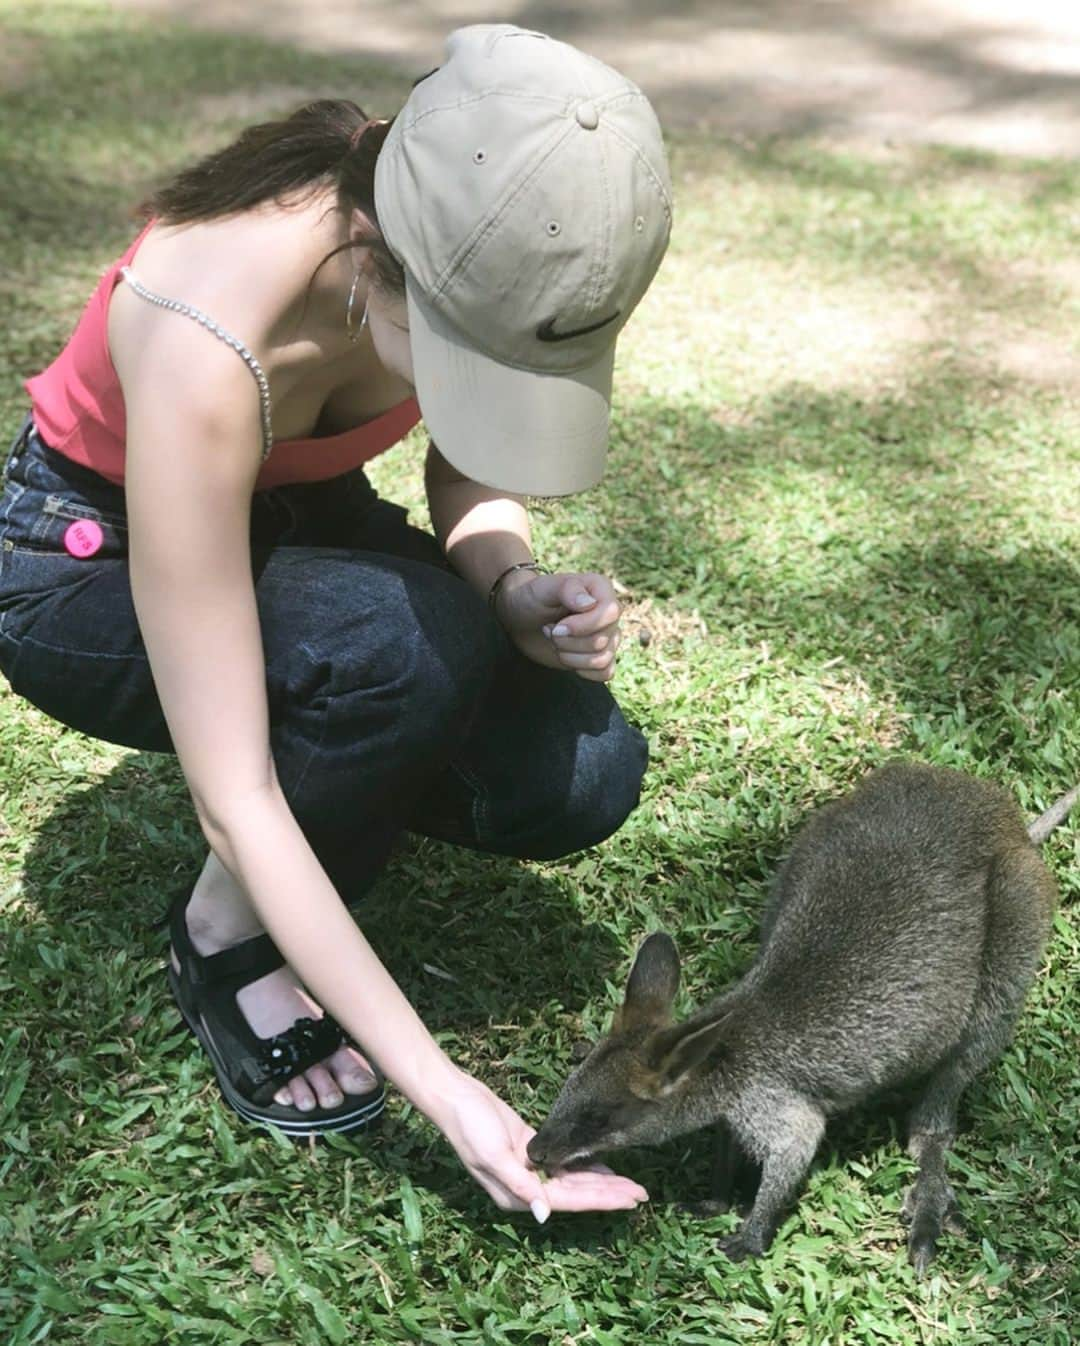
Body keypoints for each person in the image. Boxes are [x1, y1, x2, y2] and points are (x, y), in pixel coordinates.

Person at [0, 24, 672, 1220]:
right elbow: (235, 793)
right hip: (82, 556)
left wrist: (507, 583)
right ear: (373, 257)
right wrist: (452, 1092)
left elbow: (469, 466)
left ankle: (350, 765)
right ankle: (220, 935)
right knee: (393, 644)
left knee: (578, 772)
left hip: (298, 517)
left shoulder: (465, 205)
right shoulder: (209, 337)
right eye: (477, 363)